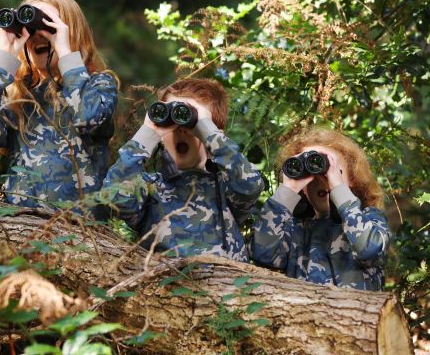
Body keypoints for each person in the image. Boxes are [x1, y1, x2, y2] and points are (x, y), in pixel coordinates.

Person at [0, 0, 118, 209]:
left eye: (48, 24)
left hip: (81, 228)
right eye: (31, 27)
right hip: (22, 224)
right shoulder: (17, 94)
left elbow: (88, 117)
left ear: (71, 32)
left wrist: (65, 50)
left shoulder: (99, 84)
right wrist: (3, 56)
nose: (37, 35)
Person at [103, 78, 264, 261]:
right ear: (162, 137)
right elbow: (115, 196)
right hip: (166, 286)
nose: (181, 130)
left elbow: (251, 185)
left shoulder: (226, 187)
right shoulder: (150, 188)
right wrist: (148, 133)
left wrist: (206, 128)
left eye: (190, 122)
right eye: (172, 122)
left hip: (228, 286)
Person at [249, 128, 391, 291]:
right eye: (309, 175)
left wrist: (337, 188)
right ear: (303, 189)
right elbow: (261, 253)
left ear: (351, 179)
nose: (320, 181)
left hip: (357, 314)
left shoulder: (369, 218)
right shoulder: (294, 231)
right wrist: (288, 189)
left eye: (328, 171)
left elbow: (371, 250)